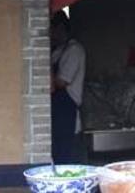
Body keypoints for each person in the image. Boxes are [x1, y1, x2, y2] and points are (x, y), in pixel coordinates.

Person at [50, 10, 86, 164]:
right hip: (57, 113)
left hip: (67, 113)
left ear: (60, 28)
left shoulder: (74, 50)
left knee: (67, 159)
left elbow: (60, 82)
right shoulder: (58, 50)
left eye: (52, 30)